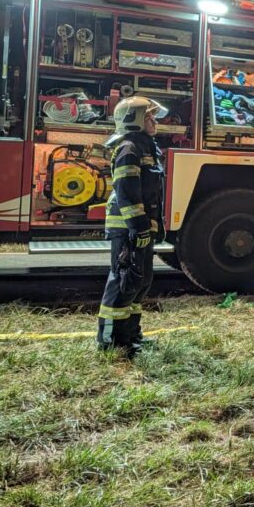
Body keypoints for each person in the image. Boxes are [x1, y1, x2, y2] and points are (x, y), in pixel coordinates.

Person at [96, 96, 168, 356]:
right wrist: (138, 228)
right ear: (135, 120)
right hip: (128, 229)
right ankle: (111, 342)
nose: (154, 121)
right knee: (125, 281)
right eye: (149, 116)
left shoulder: (145, 147)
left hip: (139, 229)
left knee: (140, 281)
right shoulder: (129, 148)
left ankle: (130, 336)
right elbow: (127, 192)